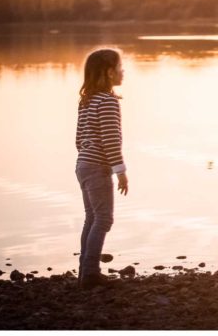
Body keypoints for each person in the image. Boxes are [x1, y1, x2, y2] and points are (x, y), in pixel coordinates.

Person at [75, 48, 129, 288]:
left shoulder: (87, 100)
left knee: (92, 218)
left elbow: (78, 139)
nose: (123, 71)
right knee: (104, 218)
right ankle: (90, 273)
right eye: (120, 67)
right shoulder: (107, 101)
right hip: (97, 166)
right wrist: (121, 171)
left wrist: (87, 158)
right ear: (109, 73)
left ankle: (85, 270)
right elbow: (110, 140)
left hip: (83, 164)